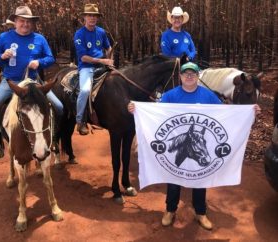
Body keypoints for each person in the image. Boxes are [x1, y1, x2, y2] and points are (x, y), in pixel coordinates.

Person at [128, 62, 261, 230]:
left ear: (198, 76)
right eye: (186, 74)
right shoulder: (170, 95)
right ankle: (170, 210)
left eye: (193, 74)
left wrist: (249, 111)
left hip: (199, 145)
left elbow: (224, 116)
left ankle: (201, 212)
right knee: (173, 176)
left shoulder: (208, 96)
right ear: (180, 77)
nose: (189, 76)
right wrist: (137, 109)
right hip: (179, 143)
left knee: (200, 177)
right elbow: (156, 113)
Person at [0, 5, 63, 159]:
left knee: (59, 107)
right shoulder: (4, 38)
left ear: (32, 23)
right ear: (15, 21)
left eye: (28, 22)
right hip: (11, 83)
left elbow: (50, 58)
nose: (25, 24)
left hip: (33, 83)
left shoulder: (39, 39)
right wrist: (1, 57)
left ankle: (53, 139)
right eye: (22, 21)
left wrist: (39, 63)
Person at [74, 3, 113, 134]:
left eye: (95, 16)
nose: (92, 18)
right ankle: (80, 120)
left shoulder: (101, 32)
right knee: (85, 90)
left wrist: (110, 56)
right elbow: (83, 57)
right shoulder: (79, 34)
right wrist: (102, 60)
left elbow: (108, 47)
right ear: (84, 17)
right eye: (89, 15)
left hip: (103, 65)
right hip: (86, 67)